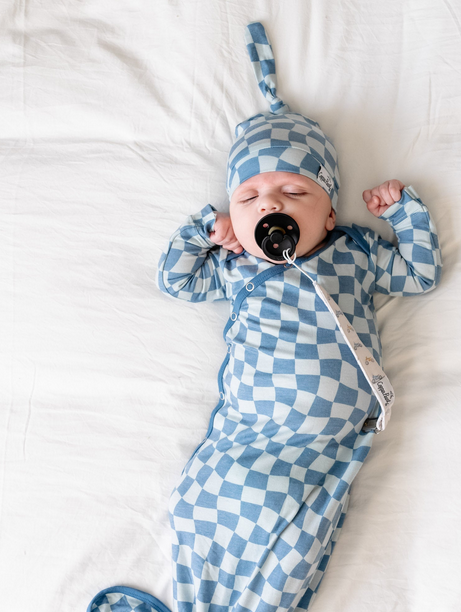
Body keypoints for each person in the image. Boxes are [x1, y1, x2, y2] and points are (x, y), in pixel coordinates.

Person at [87, 21, 442, 612]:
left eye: (294, 192)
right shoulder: (238, 268)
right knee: (197, 511)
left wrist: (403, 213)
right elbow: (177, 281)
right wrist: (203, 233)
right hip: (247, 435)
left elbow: (420, 274)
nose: (270, 203)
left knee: (295, 550)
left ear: (330, 215)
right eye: (249, 198)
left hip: (323, 450)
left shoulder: (354, 253)